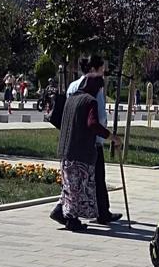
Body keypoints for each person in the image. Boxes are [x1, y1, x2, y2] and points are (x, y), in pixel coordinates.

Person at [50, 56, 122, 226]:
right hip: (82, 148)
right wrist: (111, 136)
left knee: (70, 183)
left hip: (67, 147)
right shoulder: (90, 100)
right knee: (78, 185)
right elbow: (93, 123)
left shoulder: (72, 96)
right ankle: (72, 219)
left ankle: (63, 211)